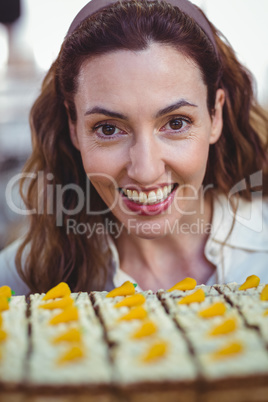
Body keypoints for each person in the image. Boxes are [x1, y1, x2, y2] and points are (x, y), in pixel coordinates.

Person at [0, 0, 267, 295]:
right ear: (73, 126)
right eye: (109, 129)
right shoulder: (19, 279)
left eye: (176, 123)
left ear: (214, 116)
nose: (145, 171)